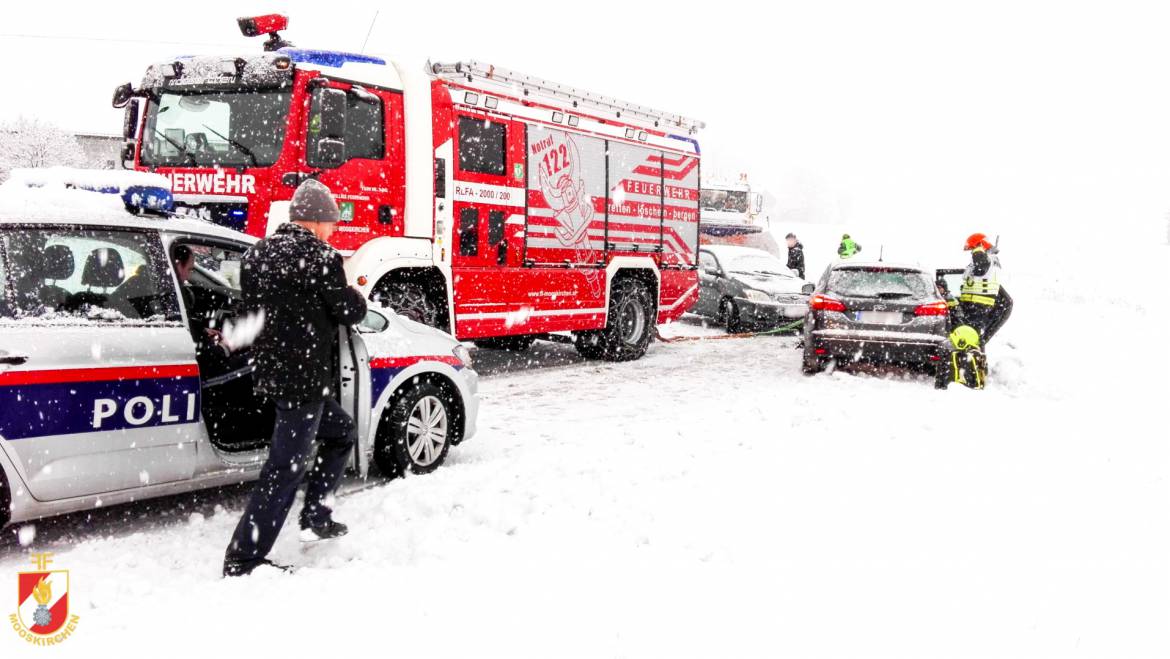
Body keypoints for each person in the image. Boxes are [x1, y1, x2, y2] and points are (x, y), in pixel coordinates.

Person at [223, 179, 368, 577]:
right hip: (305, 380)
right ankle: (244, 559)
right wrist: (355, 290)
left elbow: (252, 313)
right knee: (284, 469)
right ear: (318, 221)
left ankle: (317, 517)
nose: (333, 230)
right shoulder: (321, 257)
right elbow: (349, 311)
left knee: (341, 432)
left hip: (272, 374)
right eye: (331, 223)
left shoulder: (257, 254)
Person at [958, 232, 1013, 345]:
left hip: (976, 306)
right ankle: (974, 354)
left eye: (973, 248)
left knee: (970, 336)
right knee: (972, 336)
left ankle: (970, 357)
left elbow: (980, 268)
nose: (972, 252)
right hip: (976, 305)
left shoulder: (984, 259)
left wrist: (978, 250)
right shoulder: (991, 262)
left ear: (979, 245)